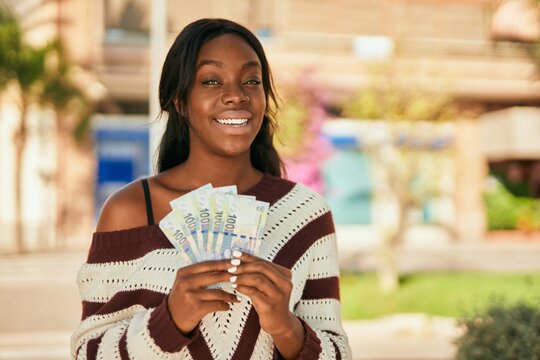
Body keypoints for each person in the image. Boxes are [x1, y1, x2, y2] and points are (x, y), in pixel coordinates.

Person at [71, 18, 351, 359]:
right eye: (212, 80)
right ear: (179, 99)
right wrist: (169, 321)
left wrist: (285, 326)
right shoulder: (130, 209)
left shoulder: (306, 215)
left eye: (251, 80)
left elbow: (338, 353)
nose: (236, 95)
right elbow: (87, 352)